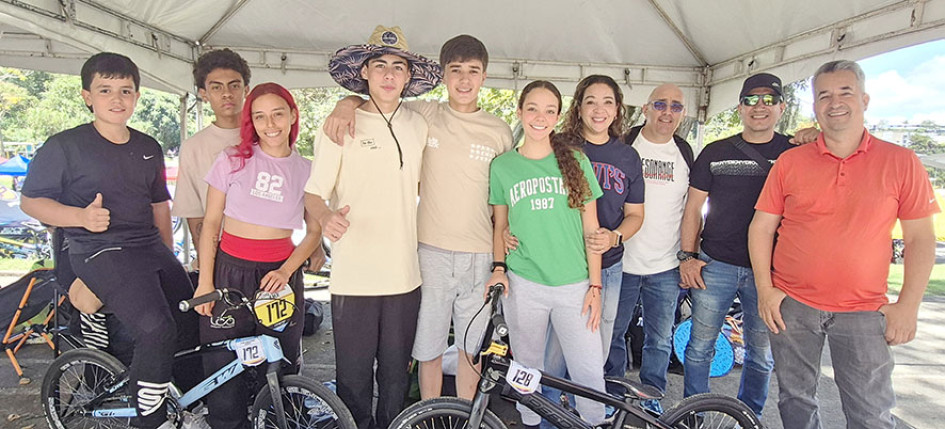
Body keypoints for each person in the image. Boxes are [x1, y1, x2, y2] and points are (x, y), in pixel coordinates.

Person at [749, 60, 938, 429]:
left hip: (865, 312)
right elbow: (761, 228)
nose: (834, 102)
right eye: (824, 95)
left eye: (845, 92)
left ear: (864, 99)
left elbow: (920, 238)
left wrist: (908, 306)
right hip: (792, 305)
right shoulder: (790, 161)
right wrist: (764, 289)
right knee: (795, 402)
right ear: (815, 106)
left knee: (870, 412)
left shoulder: (901, 161)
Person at [322, 34, 513, 401]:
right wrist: (347, 103)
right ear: (442, 75)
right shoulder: (424, 114)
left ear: (485, 76)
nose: (464, 79)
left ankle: (464, 419)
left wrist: (507, 243)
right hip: (429, 253)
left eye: (473, 71)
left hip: (480, 254)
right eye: (455, 70)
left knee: (471, 350)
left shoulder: (499, 130)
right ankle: (428, 416)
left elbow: (506, 196)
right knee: (428, 349)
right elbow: (380, 103)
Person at [20, 52, 196, 429]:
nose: (117, 99)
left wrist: (170, 254)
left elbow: (158, 204)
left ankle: (189, 405)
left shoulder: (148, 146)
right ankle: (149, 421)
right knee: (156, 328)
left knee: (188, 319)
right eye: (105, 90)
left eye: (125, 90)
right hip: (98, 250)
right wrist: (80, 217)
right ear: (87, 96)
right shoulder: (64, 145)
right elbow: (31, 201)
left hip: (148, 247)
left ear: (136, 96)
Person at [305, 25, 441, 429]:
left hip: (404, 276)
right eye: (379, 65)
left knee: (397, 377)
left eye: (397, 67)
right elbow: (313, 194)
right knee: (352, 378)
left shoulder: (419, 125)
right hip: (353, 278)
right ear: (364, 72)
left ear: (408, 76)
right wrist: (325, 217)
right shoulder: (338, 126)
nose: (388, 74)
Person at [517, 75, 644, 421]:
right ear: (578, 107)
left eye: (607, 101)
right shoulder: (557, 145)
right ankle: (549, 416)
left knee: (594, 352)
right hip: (565, 267)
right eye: (590, 101)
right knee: (553, 354)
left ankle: (585, 417)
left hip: (609, 265)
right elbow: (524, 191)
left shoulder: (628, 156)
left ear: (617, 109)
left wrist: (615, 236)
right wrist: (508, 236)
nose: (599, 109)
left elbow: (635, 215)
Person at [193, 82, 317, 429]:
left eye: (278, 113)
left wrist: (287, 270)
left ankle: (279, 422)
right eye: (259, 116)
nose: (270, 123)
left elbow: (315, 232)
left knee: (281, 362)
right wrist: (205, 282)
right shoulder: (231, 159)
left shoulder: (306, 169)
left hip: (279, 276)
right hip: (229, 272)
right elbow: (211, 224)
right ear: (251, 121)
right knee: (224, 361)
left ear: (292, 115)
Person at [487, 80, 606, 427]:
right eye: (533, 109)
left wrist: (595, 286)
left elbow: (592, 230)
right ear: (521, 111)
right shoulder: (503, 166)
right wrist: (498, 267)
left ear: (558, 116)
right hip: (525, 284)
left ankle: (594, 422)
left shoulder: (576, 161)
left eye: (550, 110)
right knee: (527, 370)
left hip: (575, 286)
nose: (540, 117)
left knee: (588, 373)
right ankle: (529, 423)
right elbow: (499, 226)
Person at [676, 72, 790, 418]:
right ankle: (692, 418)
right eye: (751, 100)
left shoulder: (795, 154)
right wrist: (688, 257)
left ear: (781, 108)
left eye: (768, 100)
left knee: (761, 353)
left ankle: (748, 419)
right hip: (716, 264)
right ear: (739, 107)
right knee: (699, 348)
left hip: (769, 273)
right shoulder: (715, 151)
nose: (759, 107)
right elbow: (693, 208)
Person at [605, 84, 693, 406]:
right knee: (613, 333)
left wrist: (688, 256)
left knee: (659, 339)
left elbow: (691, 209)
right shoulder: (624, 144)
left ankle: (651, 396)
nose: (667, 112)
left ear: (683, 113)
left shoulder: (684, 152)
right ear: (645, 108)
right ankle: (613, 392)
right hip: (622, 262)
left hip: (665, 266)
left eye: (676, 106)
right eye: (660, 104)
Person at [173, 48, 251, 267]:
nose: (227, 94)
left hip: (268, 252)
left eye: (234, 85)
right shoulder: (192, 147)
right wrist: (209, 265)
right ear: (203, 94)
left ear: (246, 90)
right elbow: (195, 215)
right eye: (216, 87)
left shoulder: (268, 135)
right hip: (221, 256)